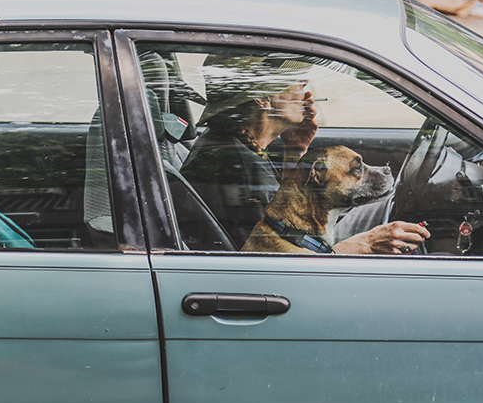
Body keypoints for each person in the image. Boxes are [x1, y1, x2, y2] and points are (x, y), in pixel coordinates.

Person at [180, 52, 429, 254]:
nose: (304, 85)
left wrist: (295, 151)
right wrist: (365, 244)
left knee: (386, 205)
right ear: (264, 98)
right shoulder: (234, 166)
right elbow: (270, 255)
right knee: (393, 211)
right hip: (304, 264)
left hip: (309, 245)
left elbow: (288, 220)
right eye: (296, 78)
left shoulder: (236, 146)